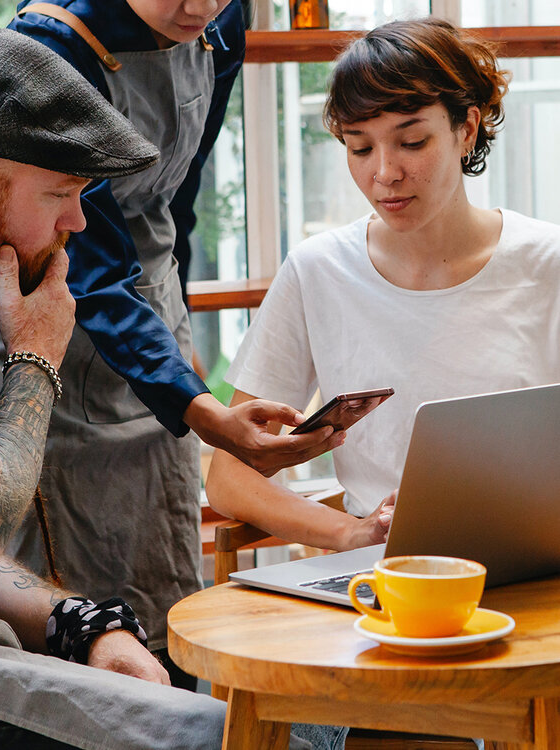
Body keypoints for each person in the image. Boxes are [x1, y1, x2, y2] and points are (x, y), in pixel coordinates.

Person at [0, 28, 339, 750]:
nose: (77, 223)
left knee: (279, 725)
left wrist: (77, 623)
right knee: (255, 737)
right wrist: (37, 357)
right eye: (60, 193)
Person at [0, 0, 342, 682]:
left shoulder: (222, 22)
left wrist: (179, 350)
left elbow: (179, 198)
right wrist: (203, 409)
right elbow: (94, 258)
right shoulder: (51, 44)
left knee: (161, 567)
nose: (199, 6)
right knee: (73, 591)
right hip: (60, 304)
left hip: (152, 312)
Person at [206, 18, 560, 547]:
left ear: (466, 128)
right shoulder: (316, 270)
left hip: (536, 564)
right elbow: (230, 477)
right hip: (382, 577)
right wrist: (352, 533)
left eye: (412, 141)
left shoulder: (547, 263)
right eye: (360, 148)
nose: (385, 173)